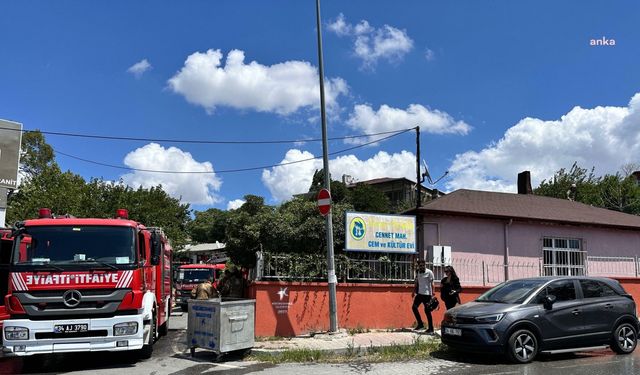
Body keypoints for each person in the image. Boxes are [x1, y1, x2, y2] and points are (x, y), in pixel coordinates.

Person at [412, 259, 435, 333]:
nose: (422, 267)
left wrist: (433, 293)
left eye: (423, 265)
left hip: (427, 294)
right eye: (420, 266)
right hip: (420, 294)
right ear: (418, 266)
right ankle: (420, 324)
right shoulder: (418, 272)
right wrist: (413, 291)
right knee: (414, 307)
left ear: (425, 265)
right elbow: (416, 283)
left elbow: (432, 284)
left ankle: (431, 328)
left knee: (427, 311)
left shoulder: (429, 272)